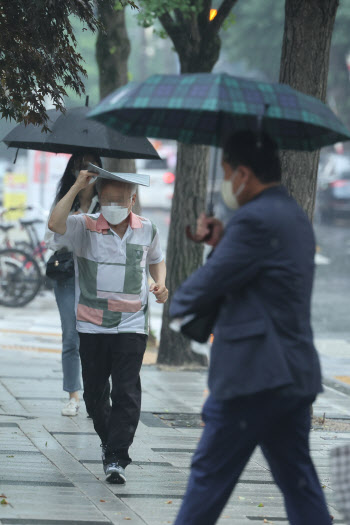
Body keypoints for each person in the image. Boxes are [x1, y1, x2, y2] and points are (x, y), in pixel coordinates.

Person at [170, 130, 333, 525]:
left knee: (208, 477)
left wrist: (177, 304)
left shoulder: (255, 218)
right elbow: (258, 278)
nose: (226, 183)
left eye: (227, 172)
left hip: (253, 375)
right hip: (292, 375)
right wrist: (223, 240)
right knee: (299, 483)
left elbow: (210, 284)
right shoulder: (290, 213)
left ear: (243, 173)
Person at [48, 168, 168, 484]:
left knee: (128, 392)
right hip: (92, 326)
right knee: (94, 396)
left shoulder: (147, 229)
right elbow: (54, 224)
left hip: (132, 325)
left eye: (120, 199)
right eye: (108, 199)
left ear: (133, 198)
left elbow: (156, 258)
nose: (113, 204)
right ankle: (109, 442)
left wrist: (161, 284)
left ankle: (116, 456)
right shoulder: (83, 226)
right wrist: (76, 187)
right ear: (100, 198)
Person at [45, 153, 102, 417]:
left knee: (99, 339)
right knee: (71, 336)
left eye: (91, 163)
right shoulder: (65, 200)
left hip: (97, 278)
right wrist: (74, 215)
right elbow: (52, 236)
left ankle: (97, 394)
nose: (86, 169)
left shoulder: (107, 201)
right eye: (80, 164)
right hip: (68, 275)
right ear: (73, 170)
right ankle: (73, 395)